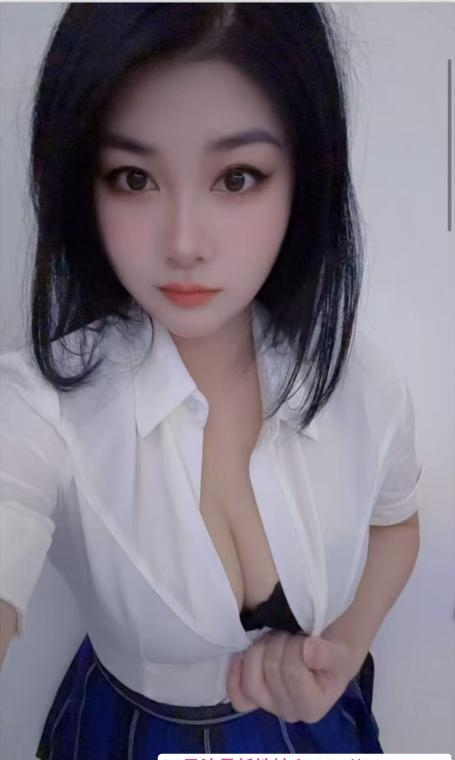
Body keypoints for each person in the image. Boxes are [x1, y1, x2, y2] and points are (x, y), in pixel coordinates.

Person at [0, 3, 423, 757]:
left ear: (303, 178)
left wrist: (345, 648)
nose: (184, 243)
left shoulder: (360, 382)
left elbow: (396, 523)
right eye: (133, 178)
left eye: (236, 177)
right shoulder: (42, 407)